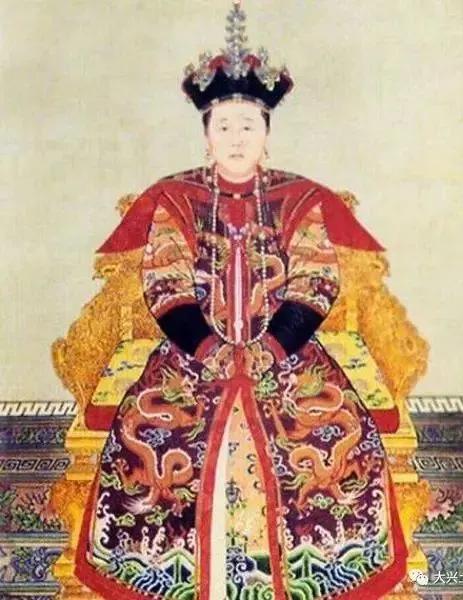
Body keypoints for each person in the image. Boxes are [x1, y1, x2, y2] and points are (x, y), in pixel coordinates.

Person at [75, 2, 408, 599]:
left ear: (267, 134)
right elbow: (165, 284)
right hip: (191, 360)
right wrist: (208, 350)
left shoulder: (299, 200)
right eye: (224, 126)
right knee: (151, 438)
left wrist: (270, 350)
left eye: (248, 126)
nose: (236, 138)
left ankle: (316, 571)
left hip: (286, 359)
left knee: (331, 434)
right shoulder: (176, 200)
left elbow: (315, 283)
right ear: (206, 135)